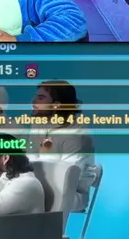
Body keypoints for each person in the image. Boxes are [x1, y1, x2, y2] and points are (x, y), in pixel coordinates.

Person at [30, 80, 97, 211]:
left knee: (25, 197)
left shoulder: (77, 133)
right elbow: (29, 160)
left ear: (56, 105)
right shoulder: (39, 124)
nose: (33, 102)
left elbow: (69, 177)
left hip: (71, 193)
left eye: (41, 98)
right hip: (40, 186)